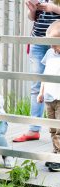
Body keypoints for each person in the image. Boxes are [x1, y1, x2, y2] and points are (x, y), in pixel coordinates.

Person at [13, 0, 60, 142]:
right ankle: (34, 130)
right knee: (36, 86)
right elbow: (33, 18)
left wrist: (53, 8)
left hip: (58, 42)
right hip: (38, 41)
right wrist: (33, 10)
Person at [36, 20, 60, 171]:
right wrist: (41, 92)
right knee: (52, 128)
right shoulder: (50, 53)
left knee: (59, 128)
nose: (52, 46)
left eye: (55, 43)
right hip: (49, 98)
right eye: (50, 43)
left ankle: (59, 157)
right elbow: (45, 74)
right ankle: (56, 151)